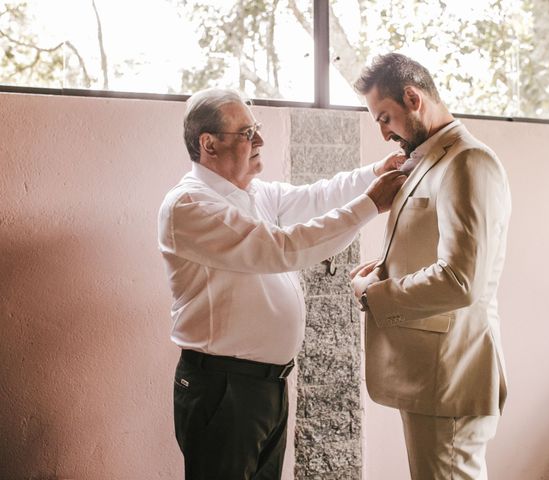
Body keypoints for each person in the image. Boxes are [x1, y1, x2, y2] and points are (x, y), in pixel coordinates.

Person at [157, 87, 406, 480]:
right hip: (224, 388)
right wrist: (370, 204)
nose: (260, 140)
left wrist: (375, 174)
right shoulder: (191, 205)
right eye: (246, 133)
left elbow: (317, 197)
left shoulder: (251, 194)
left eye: (255, 128)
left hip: (264, 387)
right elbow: (283, 250)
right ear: (209, 144)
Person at [350, 53, 511, 480]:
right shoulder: (431, 161)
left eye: (385, 117)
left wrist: (375, 294)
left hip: (452, 378)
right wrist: (384, 269)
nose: (384, 133)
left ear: (412, 97)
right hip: (431, 378)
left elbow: (461, 279)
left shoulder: (468, 162)